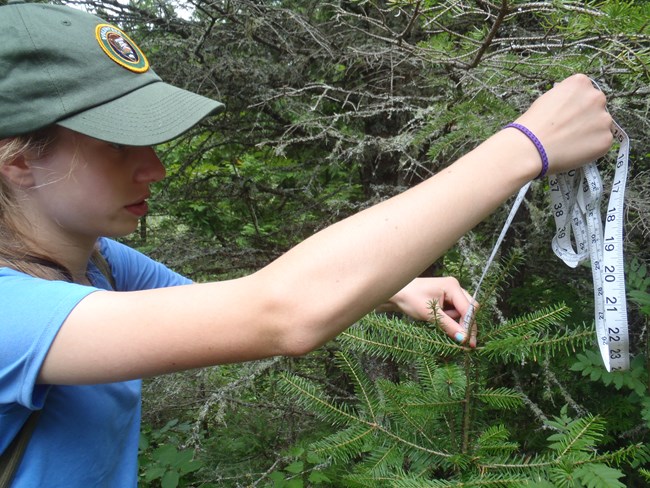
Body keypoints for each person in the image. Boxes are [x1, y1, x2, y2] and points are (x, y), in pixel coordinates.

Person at [0, 2, 613, 487]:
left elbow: (222, 306)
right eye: (116, 145)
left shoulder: (93, 259)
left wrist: (394, 289)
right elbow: (280, 313)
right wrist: (527, 145)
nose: (155, 168)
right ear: (19, 161)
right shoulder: (13, 312)